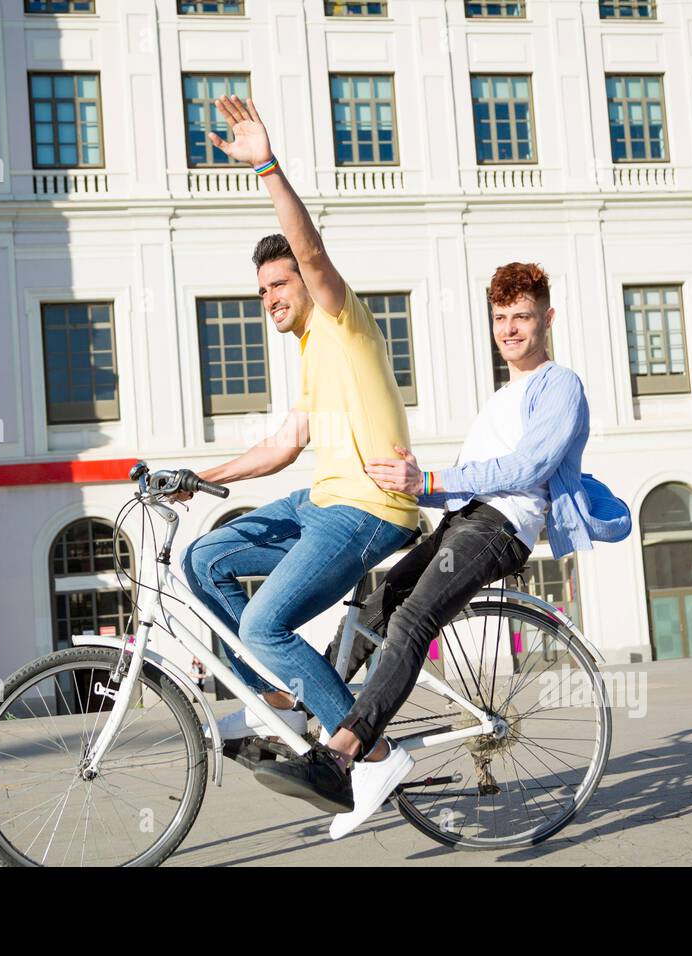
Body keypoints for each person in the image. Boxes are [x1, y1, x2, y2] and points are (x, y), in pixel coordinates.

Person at [251, 262, 633, 835]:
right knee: (374, 611)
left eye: (522, 317)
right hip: (462, 521)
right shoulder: (503, 395)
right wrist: (419, 482)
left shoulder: (560, 385)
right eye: (501, 318)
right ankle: (299, 707)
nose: (510, 329)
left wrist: (428, 482)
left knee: (411, 621)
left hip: (501, 527)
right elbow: (474, 476)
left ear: (546, 319)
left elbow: (525, 468)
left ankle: (343, 756)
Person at [177, 96, 419, 811]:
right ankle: (279, 701)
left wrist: (267, 167)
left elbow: (309, 249)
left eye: (278, 285)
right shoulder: (314, 357)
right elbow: (286, 444)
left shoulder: (343, 321)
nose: (269, 299)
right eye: (261, 291)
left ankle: (367, 753)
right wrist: (198, 477)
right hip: (322, 504)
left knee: (261, 623)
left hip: (370, 509)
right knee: (203, 560)